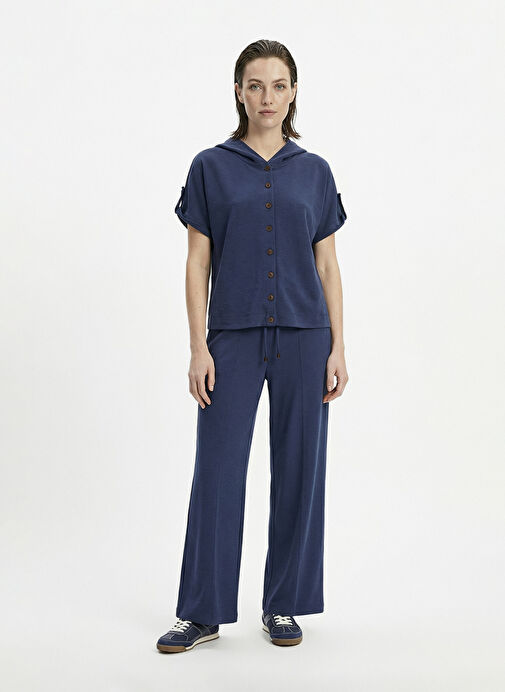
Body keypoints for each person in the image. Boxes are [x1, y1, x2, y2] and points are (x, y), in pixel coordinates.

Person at [157, 39, 349, 654]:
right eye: (256, 85)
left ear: (293, 94)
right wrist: (198, 345)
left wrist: (339, 346)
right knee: (217, 470)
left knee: (300, 470)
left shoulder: (315, 171)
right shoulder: (210, 167)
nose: (268, 97)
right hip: (232, 338)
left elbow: (328, 265)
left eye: (279, 85)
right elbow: (197, 261)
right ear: (238, 92)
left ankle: (283, 604)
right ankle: (201, 612)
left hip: (305, 336)